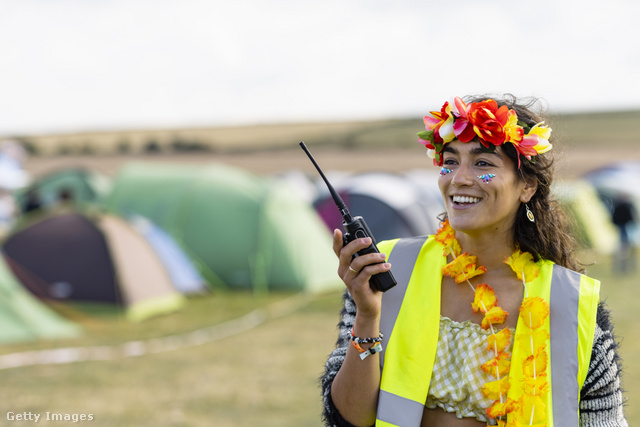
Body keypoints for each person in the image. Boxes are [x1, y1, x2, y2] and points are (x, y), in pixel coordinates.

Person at [321, 95, 627, 426]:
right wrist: (367, 316)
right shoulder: (387, 270)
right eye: (449, 162)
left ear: (527, 186)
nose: (459, 178)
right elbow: (350, 418)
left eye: (483, 164)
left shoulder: (573, 304)